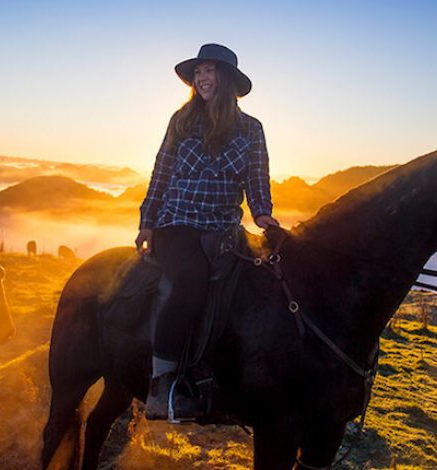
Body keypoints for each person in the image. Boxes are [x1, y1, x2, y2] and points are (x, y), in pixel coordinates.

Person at [136, 44, 278, 420]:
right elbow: (161, 173)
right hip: (176, 223)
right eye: (198, 71)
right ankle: (162, 381)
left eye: (210, 70)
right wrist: (147, 220)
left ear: (226, 79)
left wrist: (263, 216)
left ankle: (224, 375)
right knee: (191, 278)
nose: (202, 78)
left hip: (224, 226)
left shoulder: (251, 129)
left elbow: (257, 180)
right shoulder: (180, 122)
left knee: (255, 285)